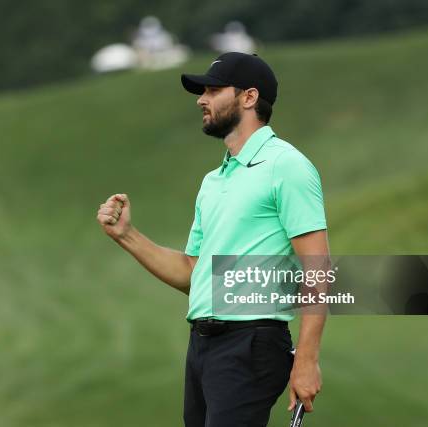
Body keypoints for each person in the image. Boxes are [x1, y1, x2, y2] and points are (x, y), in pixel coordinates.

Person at [96, 52, 329, 427]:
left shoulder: (286, 166)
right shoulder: (213, 181)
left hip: (252, 343)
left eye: (213, 90)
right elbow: (193, 271)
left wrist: (306, 359)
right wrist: (127, 236)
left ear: (249, 97)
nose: (201, 99)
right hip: (203, 346)